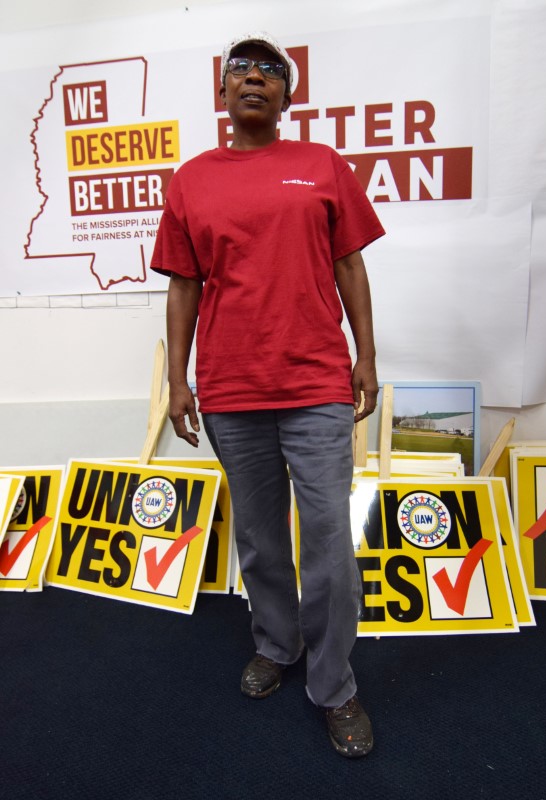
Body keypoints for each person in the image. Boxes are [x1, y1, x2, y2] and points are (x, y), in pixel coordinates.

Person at [150, 31, 385, 758]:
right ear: (221, 94)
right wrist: (178, 379)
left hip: (315, 382)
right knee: (257, 537)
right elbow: (184, 285)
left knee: (329, 544)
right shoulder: (190, 180)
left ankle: (334, 684)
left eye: (270, 73)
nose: (254, 79)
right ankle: (276, 646)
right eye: (240, 71)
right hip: (230, 388)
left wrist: (367, 356)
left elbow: (350, 266)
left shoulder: (321, 167)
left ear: (288, 96)